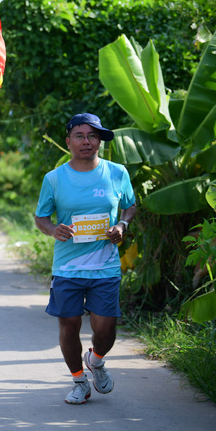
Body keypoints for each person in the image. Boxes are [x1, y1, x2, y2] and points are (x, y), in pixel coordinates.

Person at [34, 113, 136, 405]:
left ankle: (97, 360)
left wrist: (122, 225)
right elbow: (41, 217)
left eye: (93, 136)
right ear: (68, 142)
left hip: (105, 267)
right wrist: (54, 229)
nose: (86, 142)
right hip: (67, 267)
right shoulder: (54, 179)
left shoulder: (117, 173)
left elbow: (130, 207)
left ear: (100, 141)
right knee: (68, 326)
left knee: (106, 330)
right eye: (80, 136)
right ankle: (79, 381)